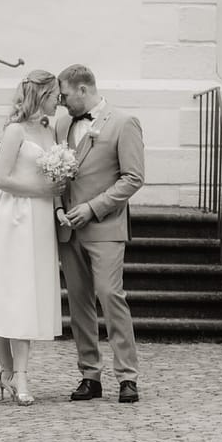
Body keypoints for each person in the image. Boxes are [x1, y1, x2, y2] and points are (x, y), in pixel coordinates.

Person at [0, 69, 65, 406]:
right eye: (55, 95)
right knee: (7, 294)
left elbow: (54, 175)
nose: (59, 100)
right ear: (41, 95)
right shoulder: (15, 130)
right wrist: (43, 191)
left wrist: (57, 198)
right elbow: (0, 180)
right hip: (12, 218)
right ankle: (12, 372)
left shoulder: (51, 130)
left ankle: (17, 373)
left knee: (27, 295)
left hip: (39, 222)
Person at [54, 64, 145, 404]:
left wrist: (92, 208)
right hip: (69, 231)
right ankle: (89, 375)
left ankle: (127, 377)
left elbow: (133, 177)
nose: (61, 102)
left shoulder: (123, 123)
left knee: (110, 296)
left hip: (105, 226)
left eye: (64, 95)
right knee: (79, 304)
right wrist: (59, 209)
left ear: (83, 89)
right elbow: (57, 176)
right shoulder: (62, 125)